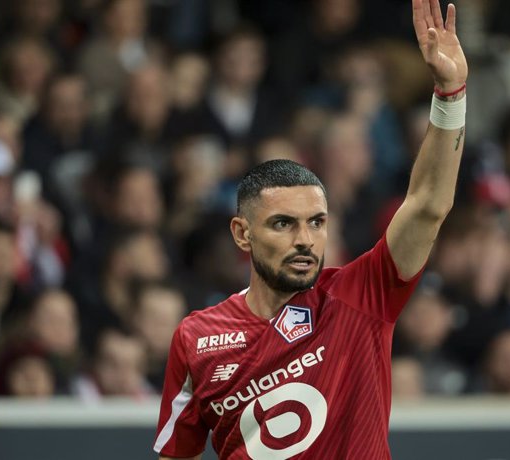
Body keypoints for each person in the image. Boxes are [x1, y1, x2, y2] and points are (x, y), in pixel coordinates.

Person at [154, 1, 468, 458]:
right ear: (242, 234)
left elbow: (427, 206)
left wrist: (451, 94)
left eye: (316, 223)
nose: (305, 239)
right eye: (283, 223)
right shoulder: (196, 337)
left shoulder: (360, 297)